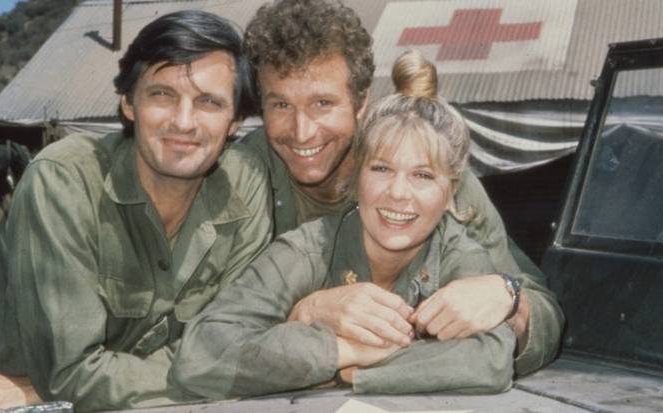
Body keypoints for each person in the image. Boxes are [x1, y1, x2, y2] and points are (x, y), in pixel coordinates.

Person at [0, 10, 272, 413]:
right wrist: (224, 373)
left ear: (235, 121)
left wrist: (48, 385)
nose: (184, 122)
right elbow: (71, 375)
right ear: (128, 103)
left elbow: (242, 345)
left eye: (209, 102)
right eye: (162, 95)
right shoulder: (65, 180)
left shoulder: (247, 187)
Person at [240, 0, 563, 376]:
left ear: (361, 105)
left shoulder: (429, 175)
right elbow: (218, 329)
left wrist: (508, 299)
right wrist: (306, 312)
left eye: (323, 103)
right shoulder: (243, 176)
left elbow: (543, 311)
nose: (302, 131)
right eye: (280, 105)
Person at [172, 50, 515, 397]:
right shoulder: (308, 248)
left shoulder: (458, 250)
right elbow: (201, 353)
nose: (397, 193)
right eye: (381, 169)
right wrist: (340, 352)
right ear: (358, 175)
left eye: (422, 175)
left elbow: (492, 357)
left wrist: (357, 374)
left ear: (450, 191)